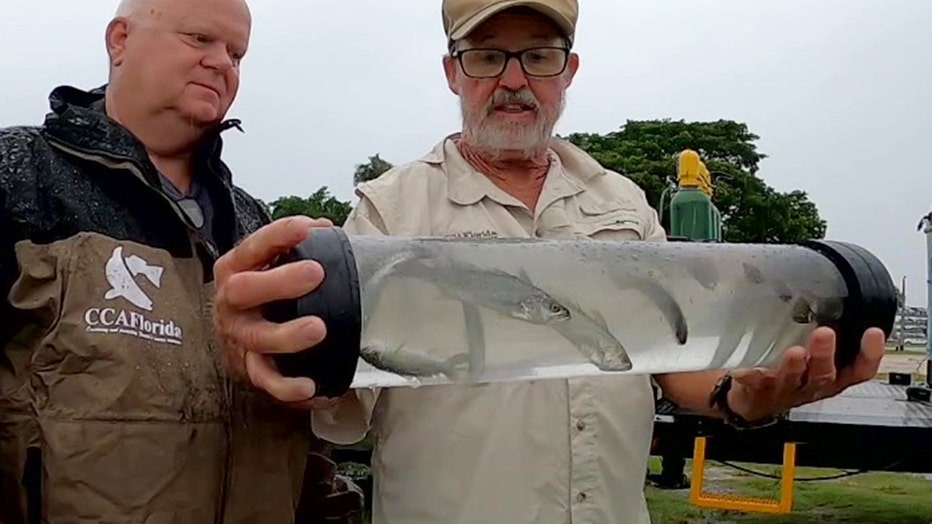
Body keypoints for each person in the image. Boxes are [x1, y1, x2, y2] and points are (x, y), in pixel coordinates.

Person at [210, 0, 887, 522]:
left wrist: (740, 395)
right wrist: (283, 339)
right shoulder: (389, 214)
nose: (511, 82)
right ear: (452, 71)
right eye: (485, 57)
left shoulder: (622, 204)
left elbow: (674, 353)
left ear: (569, 71)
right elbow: (338, 393)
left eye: (537, 57)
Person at [0, 0, 362, 522]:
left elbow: (304, 441)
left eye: (237, 53)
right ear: (119, 39)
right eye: (199, 39)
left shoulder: (256, 225)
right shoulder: (20, 179)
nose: (223, 63)